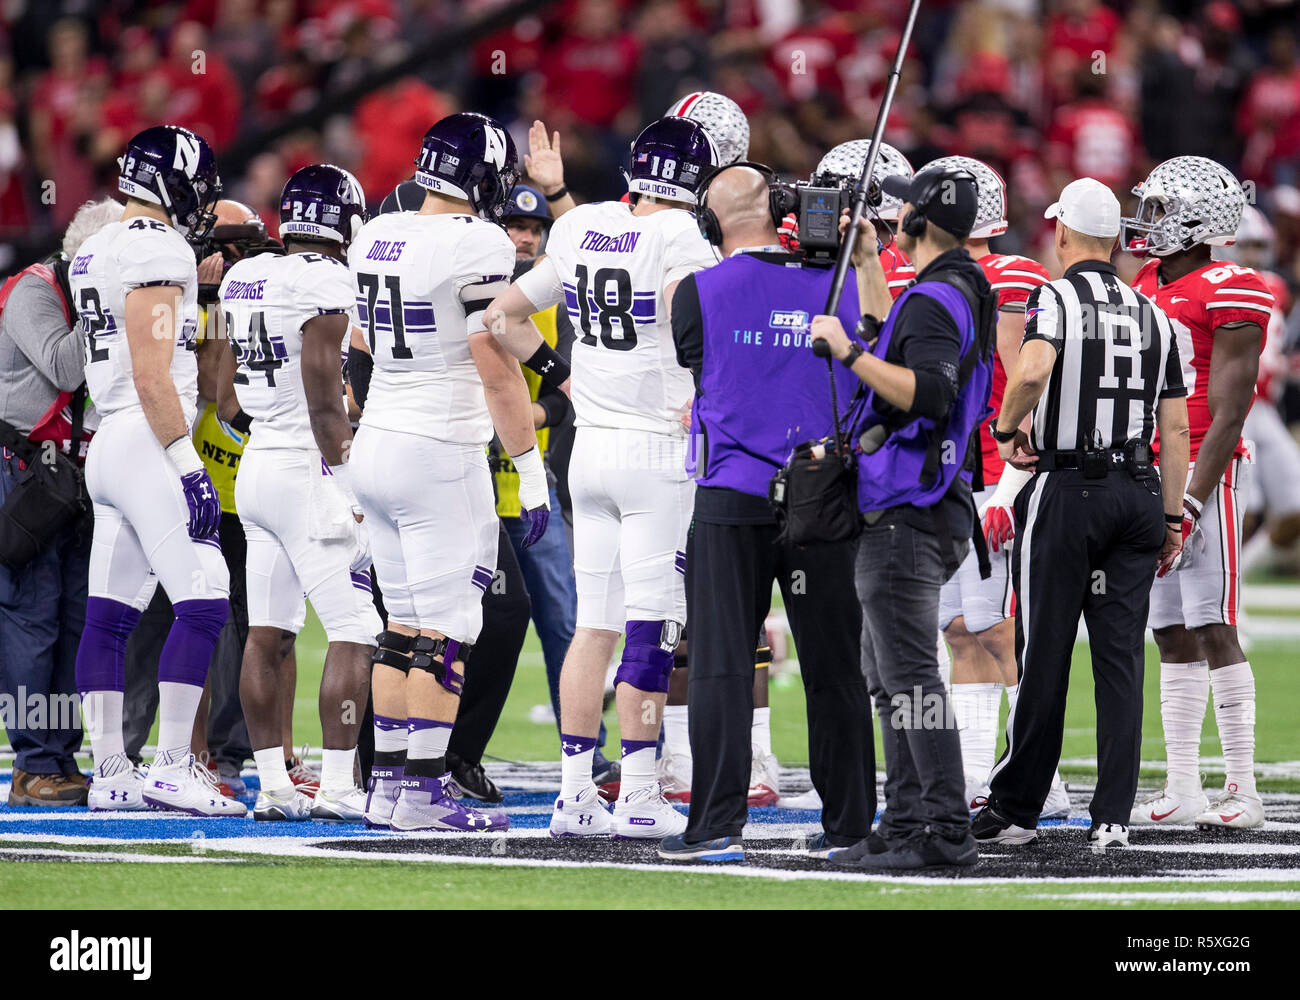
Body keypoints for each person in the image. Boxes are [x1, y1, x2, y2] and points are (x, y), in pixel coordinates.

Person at [485, 117, 719, 840]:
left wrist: (566, 378)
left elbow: (501, 316)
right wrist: (710, 394)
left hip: (589, 455)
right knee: (651, 625)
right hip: (656, 449)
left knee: (594, 628)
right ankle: (641, 791)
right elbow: (693, 323)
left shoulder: (581, 225)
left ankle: (575, 794)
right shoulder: (680, 235)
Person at [658, 162, 877, 863]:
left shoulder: (692, 292)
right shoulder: (839, 284)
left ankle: (715, 825)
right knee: (835, 665)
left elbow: (700, 364)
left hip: (731, 494)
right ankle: (849, 826)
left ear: (710, 219)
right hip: (824, 496)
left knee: (722, 663)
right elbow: (872, 348)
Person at [972, 178, 1190, 850]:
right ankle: (1113, 817)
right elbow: (1176, 429)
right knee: (1120, 659)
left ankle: (1016, 807)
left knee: (1043, 652)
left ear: (1062, 233)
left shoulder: (1057, 295)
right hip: (1139, 490)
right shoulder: (1154, 312)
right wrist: (1174, 518)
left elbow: (1033, 370)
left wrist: (1008, 429)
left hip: (1070, 490)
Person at [349, 111, 542, 833]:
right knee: (446, 630)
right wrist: (531, 468)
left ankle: (391, 786)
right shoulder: (479, 241)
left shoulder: (374, 231)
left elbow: (362, 340)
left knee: (400, 628)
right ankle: (425, 792)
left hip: (378, 440)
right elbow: (494, 362)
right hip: (439, 449)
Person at [810, 164, 996, 869]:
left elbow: (929, 391)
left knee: (910, 680)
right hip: (930, 508)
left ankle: (942, 830)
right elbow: (904, 337)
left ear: (911, 222)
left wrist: (850, 352)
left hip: (908, 512)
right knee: (890, 677)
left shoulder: (934, 300)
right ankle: (908, 819)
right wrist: (864, 263)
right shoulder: (958, 289)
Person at [70, 124, 244, 816]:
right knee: (206, 595)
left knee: (108, 617)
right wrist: (185, 462)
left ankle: (112, 772)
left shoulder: (96, 245)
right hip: (146, 437)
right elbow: (152, 372)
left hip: (106, 439)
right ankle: (173, 764)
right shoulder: (157, 246)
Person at [219, 163, 382, 822]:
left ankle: (274, 788)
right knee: (356, 627)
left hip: (256, 459)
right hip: (304, 466)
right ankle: (340, 785)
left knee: (269, 632)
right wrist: (347, 479)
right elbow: (323, 395)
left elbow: (227, 393)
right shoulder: (326, 280)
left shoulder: (245, 275)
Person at [1123, 157, 1274, 831]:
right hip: (1151, 467)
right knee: (1169, 630)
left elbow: (1231, 412)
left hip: (1207, 471)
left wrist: (1188, 500)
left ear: (1194, 222)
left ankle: (1243, 786)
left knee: (1214, 624)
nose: (1146, 220)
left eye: (1158, 209)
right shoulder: (1149, 280)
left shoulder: (1233, 287)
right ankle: (1182, 783)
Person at [925, 154, 1071, 818]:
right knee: (959, 627)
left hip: (992, 473)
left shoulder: (1012, 277)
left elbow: (1020, 383)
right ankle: (975, 773)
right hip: (946, 474)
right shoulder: (935, 271)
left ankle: (1038, 774)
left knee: (997, 628)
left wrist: (1011, 485)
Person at [657, 89, 779, 809]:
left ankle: (711, 758)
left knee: (706, 608)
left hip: (702, 437)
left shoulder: (714, 236)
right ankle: (680, 756)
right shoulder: (664, 227)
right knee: (690, 608)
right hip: (700, 434)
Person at [0, 197, 118, 806]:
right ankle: (32, 764)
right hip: (27, 471)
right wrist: (112, 303)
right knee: (31, 616)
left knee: (76, 618)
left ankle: (60, 756)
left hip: (80, 472)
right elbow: (64, 367)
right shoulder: (33, 291)